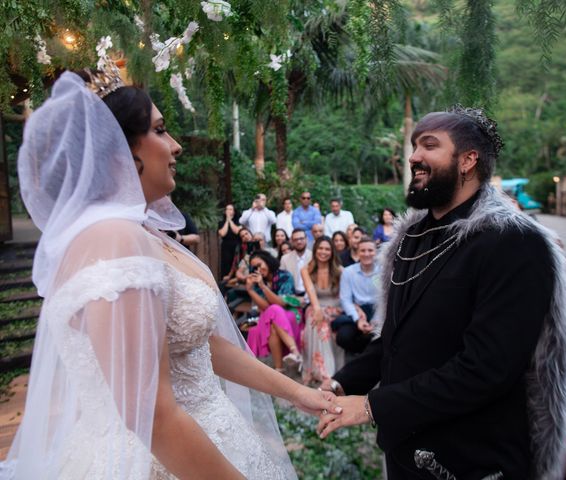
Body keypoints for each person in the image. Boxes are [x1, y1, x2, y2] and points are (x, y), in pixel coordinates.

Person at [2, 69, 341, 479]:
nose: (176, 146)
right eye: (161, 131)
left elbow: (197, 342)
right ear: (119, 151)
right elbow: (152, 417)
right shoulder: (114, 242)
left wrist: (296, 392)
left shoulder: (143, 233)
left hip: (208, 435)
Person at [317, 106, 566, 480]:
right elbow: (395, 339)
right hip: (404, 447)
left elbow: (486, 369)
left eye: (429, 145)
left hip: (471, 458)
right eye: (414, 145)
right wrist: (342, 383)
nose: (414, 156)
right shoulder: (409, 239)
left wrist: (373, 406)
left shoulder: (514, 242)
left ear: (468, 160)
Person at [246, 251, 304, 372]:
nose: (258, 269)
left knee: (275, 310)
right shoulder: (258, 281)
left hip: (289, 312)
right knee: (273, 312)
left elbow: (281, 303)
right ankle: (294, 353)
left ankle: (279, 368)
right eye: (254, 267)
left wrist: (263, 286)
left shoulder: (284, 276)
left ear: (267, 261)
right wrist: (250, 290)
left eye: (260, 264)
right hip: (270, 315)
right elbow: (265, 307)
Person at [300, 236, 344, 384]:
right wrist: (319, 310)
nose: (323, 252)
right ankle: (325, 373)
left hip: (335, 307)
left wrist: (324, 312)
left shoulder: (339, 271)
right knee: (316, 319)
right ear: (315, 250)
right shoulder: (306, 269)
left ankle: (327, 371)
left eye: (327, 249)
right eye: (320, 248)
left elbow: (343, 297)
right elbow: (311, 292)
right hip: (315, 305)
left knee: (320, 320)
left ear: (332, 252)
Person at [332, 237, 379, 355]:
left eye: (370, 250)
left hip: (379, 310)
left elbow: (386, 300)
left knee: (376, 336)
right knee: (343, 337)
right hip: (358, 310)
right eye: (363, 251)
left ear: (376, 252)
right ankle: (362, 355)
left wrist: (375, 320)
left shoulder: (384, 271)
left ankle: (367, 359)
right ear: (357, 253)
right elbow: (345, 299)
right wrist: (358, 319)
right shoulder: (348, 272)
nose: (366, 254)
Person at [280, 228, 312, 296]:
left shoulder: (314, 257)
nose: (299, 242)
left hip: (311, 294)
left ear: (306, 239)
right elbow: (282, 282)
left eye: (301, 238)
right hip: (292, 295)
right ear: (291, 241)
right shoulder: (285, 259)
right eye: (296, 239)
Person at [218, 203, 241, 277]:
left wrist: (230, 220)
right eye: (227, 209)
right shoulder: (221, 223)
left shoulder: (238, 222)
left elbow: (237, 231)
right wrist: (227, 221)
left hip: (236, 245)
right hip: (225, 246)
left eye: (230, 209)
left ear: (234, 211)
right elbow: (222, 233)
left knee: (235, 263)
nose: (228, 211)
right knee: (226, 263)